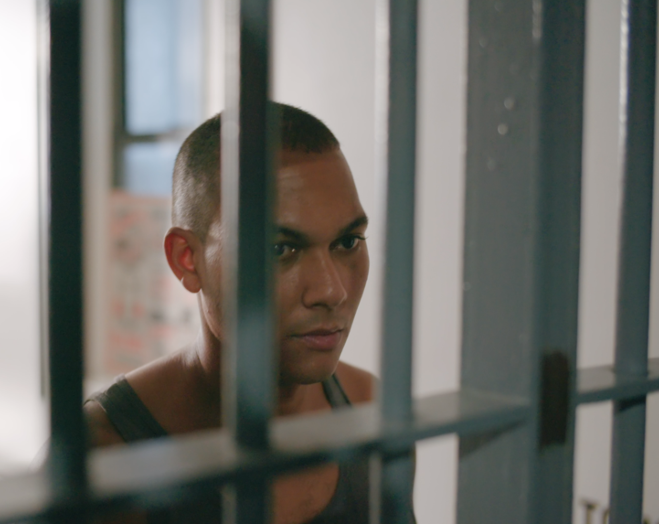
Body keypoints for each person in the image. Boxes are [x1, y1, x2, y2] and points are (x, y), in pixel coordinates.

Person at [85, 102, 414, 523]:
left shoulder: (373, 408)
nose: (331, 290)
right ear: (188, 259)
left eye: (348, 242)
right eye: (280, 249)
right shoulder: (102, 455)